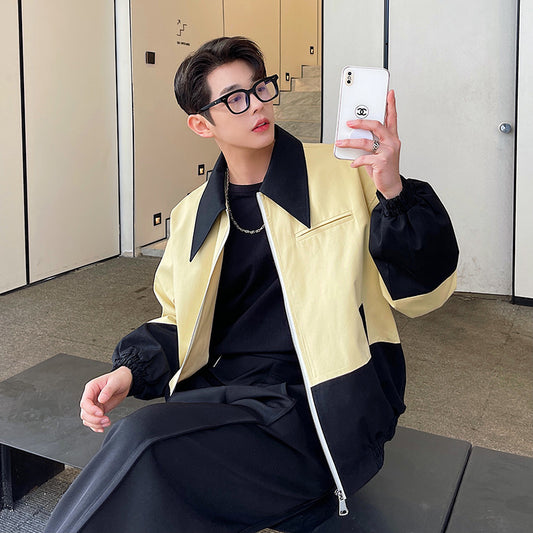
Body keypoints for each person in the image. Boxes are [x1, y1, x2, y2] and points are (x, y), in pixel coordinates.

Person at [45, 36, 458, 533]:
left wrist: (392, 188)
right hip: (225, 397)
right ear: (202, 124)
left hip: (318, 410)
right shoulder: (192, 213)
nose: (257, 104)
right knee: (141, 451)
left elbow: (424, 295)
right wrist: (129, 373)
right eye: (235, 99)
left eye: (260, 88)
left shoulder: (349, 176)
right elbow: (178, 319)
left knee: (146, 446)